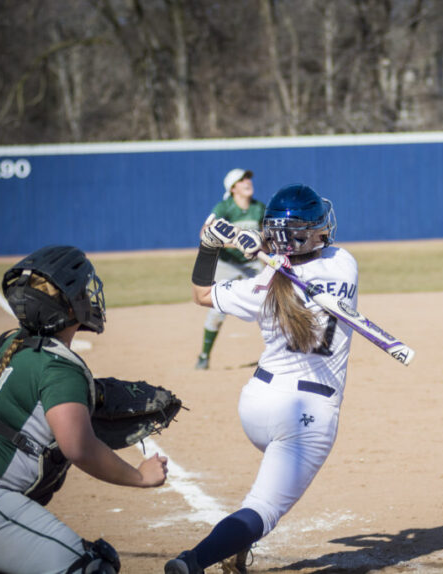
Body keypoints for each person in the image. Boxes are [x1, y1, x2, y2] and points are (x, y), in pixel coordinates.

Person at [166, 184, 356, 574]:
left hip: (256, 403)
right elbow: (298, 257)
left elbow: (201, 294)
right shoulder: (343, 263)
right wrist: (263, 247)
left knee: (268, 482)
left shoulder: (260, 285)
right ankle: (192, 562)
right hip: (309, 415)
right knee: (263, 508)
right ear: (312, 232)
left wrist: (210, 246)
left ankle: (235, 547)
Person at [0, 245, 169, 574]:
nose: (89, 297)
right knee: (93, 567)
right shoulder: (61, 368)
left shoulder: (10, 342)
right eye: (83, 291)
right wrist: (140, 476)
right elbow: (79, 448)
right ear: (66, 306)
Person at [195, 168, 266, 370]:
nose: (247, 182)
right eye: (242, 180)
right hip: (227, 264)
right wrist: (235, 242)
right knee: (216, 310)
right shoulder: (224, 207)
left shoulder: (259, 207)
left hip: (251, 263)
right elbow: (204, 232)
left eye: (248, 179)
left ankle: (280, 352)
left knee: (271, 305)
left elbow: (266, 234)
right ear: (233, 188)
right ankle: (204, 356)